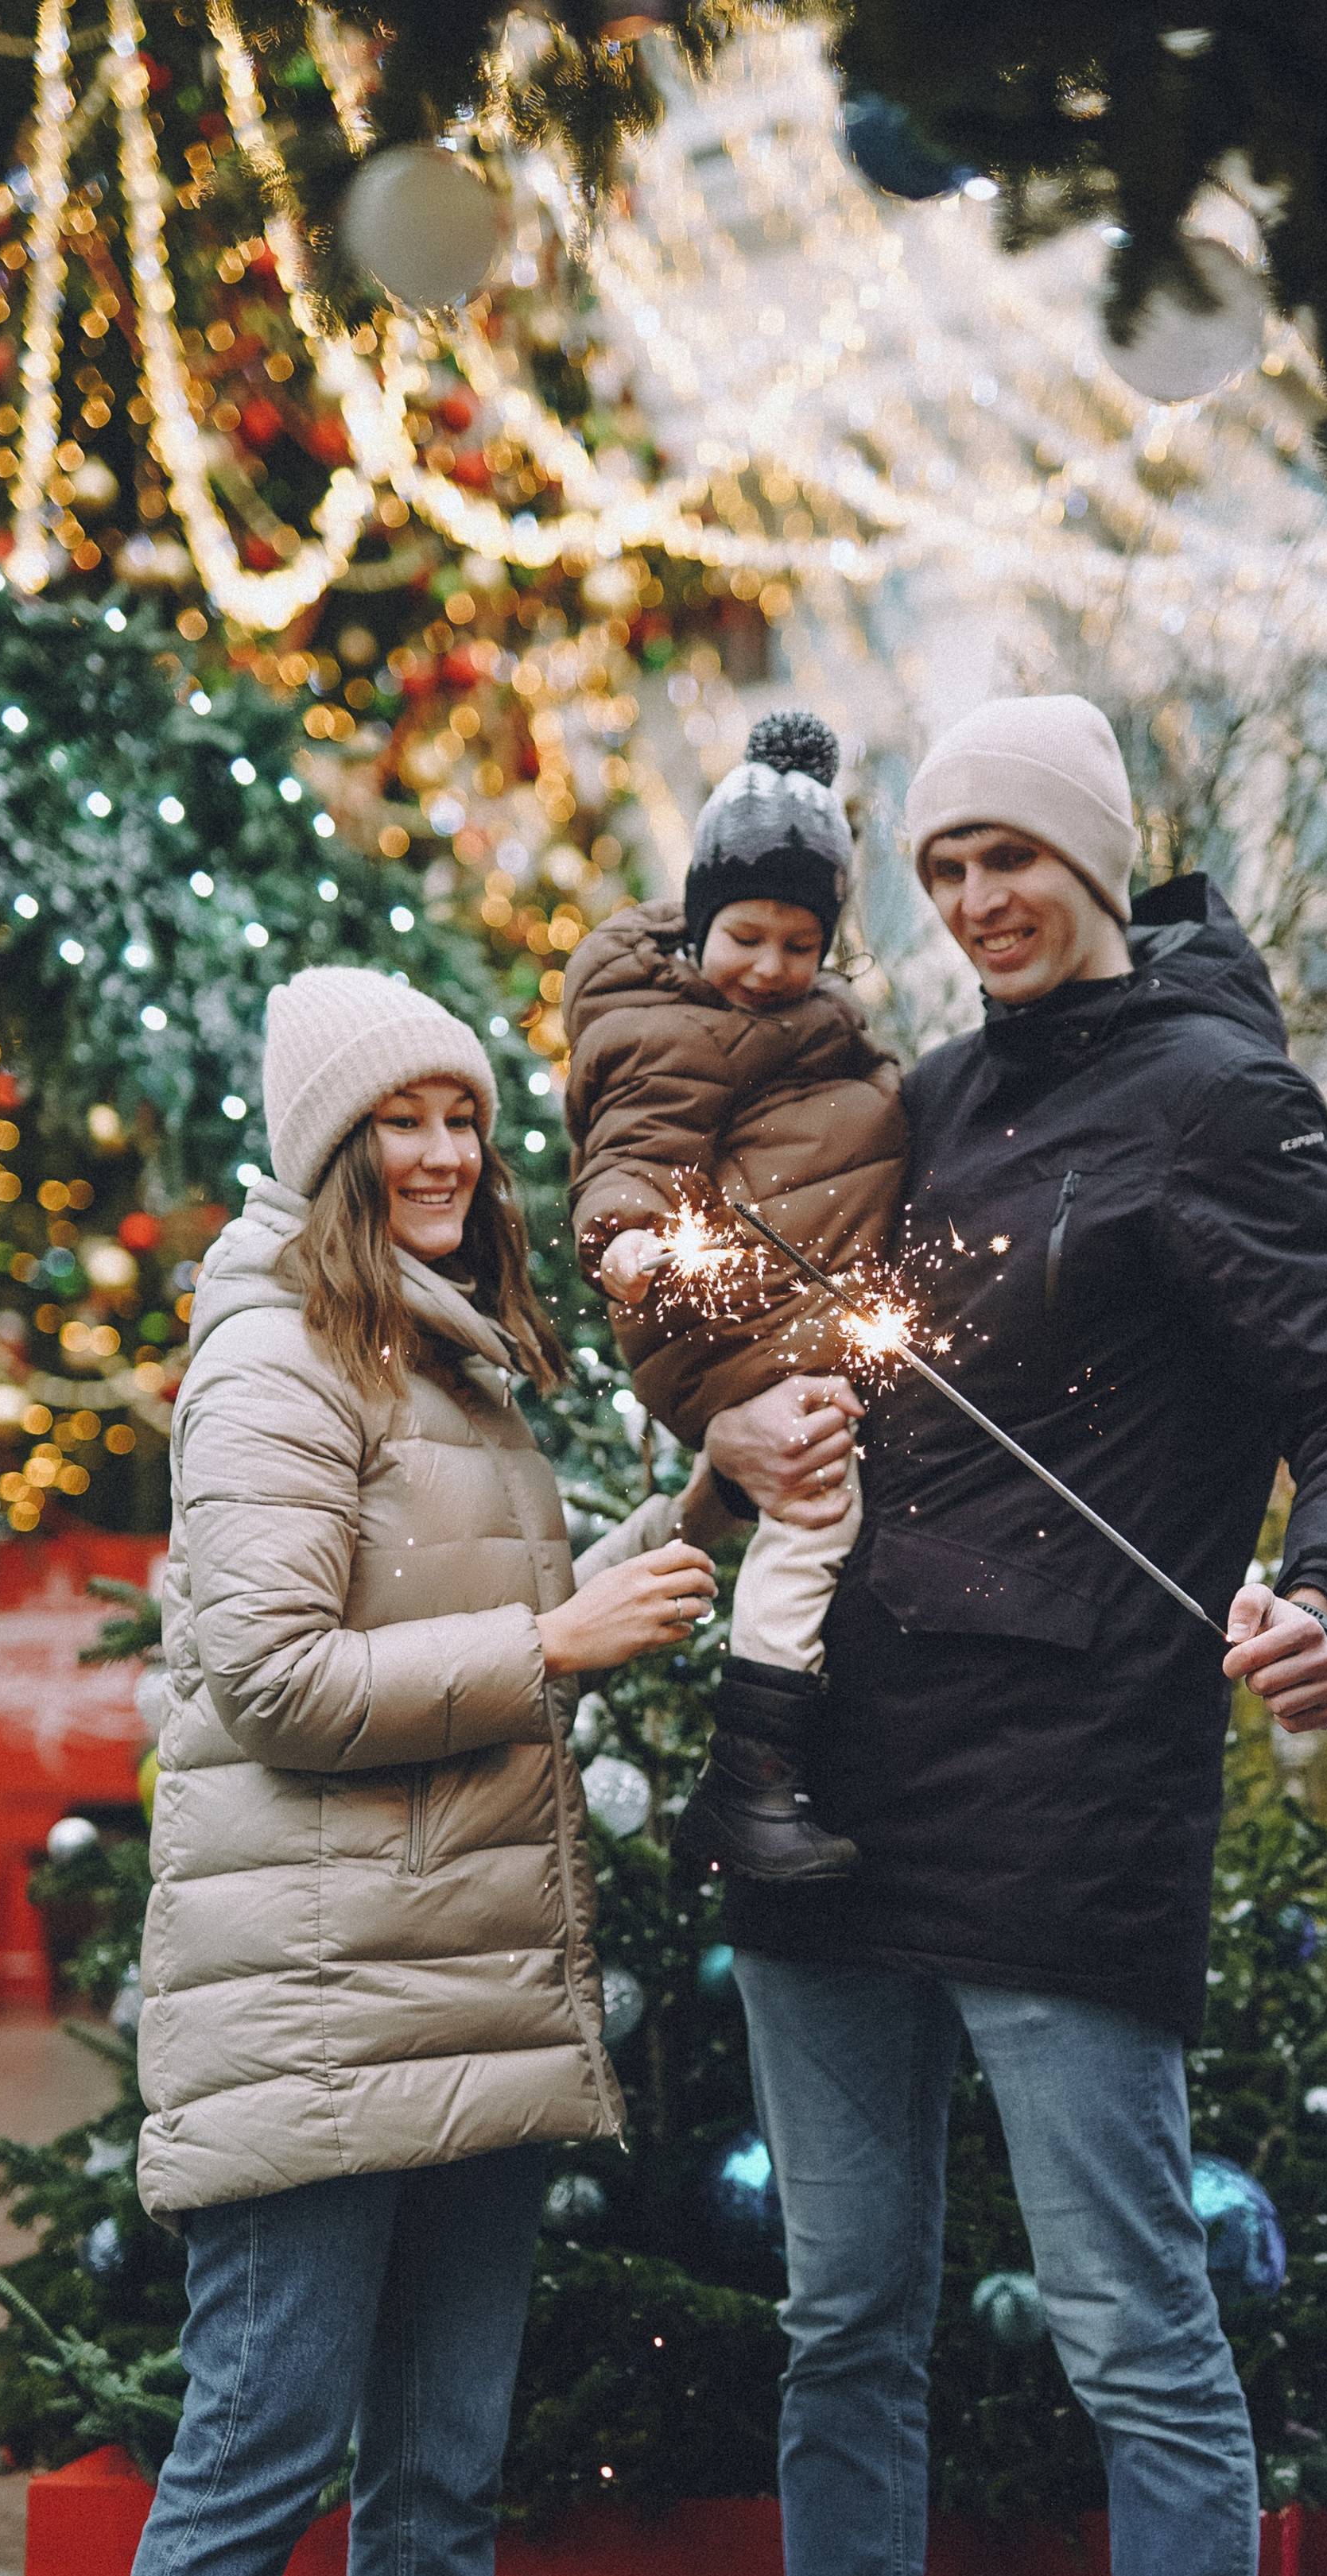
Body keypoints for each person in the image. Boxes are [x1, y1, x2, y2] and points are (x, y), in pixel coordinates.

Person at [672, 698, 1327, 2576]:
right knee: (841, 2329)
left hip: (1072, 1787)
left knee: (1134, 2343)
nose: (977, 899)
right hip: (829, 1782)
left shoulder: (1214, 1096)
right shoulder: (927, 1093)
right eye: (942, 867)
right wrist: (730, 1421)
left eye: (1011, 855)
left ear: (1100, 856)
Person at [60, 966, 724, 2576]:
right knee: (257, 2451)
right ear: (328, 1146)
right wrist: (554, 1648)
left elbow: (508, 1617)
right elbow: (273, 1682)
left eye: (461, 1117)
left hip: (466, 1993)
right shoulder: (274, 1355)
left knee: (439, 2466)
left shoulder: (448, 1349)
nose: (441, 1153)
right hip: (319, 2004)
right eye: (398, 1121)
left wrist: (708, 1502)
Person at [562, 709, 906, 1883]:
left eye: (799, 944)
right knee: (818, 1506)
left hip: (790, 1309)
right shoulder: (671, 1029)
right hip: (716, 1318)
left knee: (823, 1495)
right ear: (699, 921)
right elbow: (633, 1144)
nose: (768, 966)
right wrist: (624, 1239)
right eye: (746, 936)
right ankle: (747, 1780)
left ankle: (765, 1768)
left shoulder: (804, 1026)